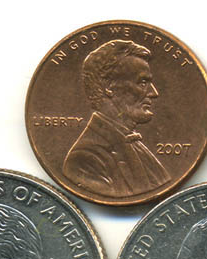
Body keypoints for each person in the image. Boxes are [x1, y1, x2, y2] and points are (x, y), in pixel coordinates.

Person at [63, 39, 171, 198]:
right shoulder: (85, 159)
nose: (154, 93)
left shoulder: (135, 144)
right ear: (108, 87)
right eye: (142, 82)